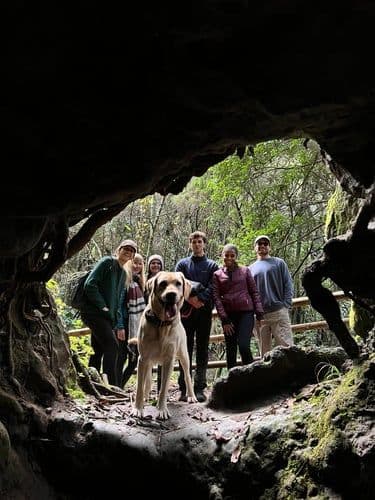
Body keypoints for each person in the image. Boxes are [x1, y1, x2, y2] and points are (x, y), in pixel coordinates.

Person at [80, 239, 137, 386]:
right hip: (94, 313)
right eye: (126, 248)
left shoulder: (124, 274)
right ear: (119, 249)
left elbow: (118, 302)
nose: (128, 252)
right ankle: (110, 385)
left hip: (107, 318)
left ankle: (90, 383)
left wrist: (116, 321)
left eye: (131, 250)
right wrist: (102, 306)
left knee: (97, 350)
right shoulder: (107, 262)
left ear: (132, 255)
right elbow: (89, 284)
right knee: (112, 346)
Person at [175, 231, 219, 402]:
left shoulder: (212, 266)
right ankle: (184, 387)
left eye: (199, 241)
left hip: (204, 312)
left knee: (202, 348)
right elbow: (178, 283)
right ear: (190, 244)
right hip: (185, 312)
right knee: (184, 349)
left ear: (204, 244)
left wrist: (200, 299)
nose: (196, 244)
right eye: (193, 241)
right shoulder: (182, 264)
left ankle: (200, 387)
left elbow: (213, 286)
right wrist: (190, 298)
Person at [213, 244, 264, 369]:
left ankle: (251, 375)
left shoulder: (245, 271)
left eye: (232, 255)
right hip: (228, 316)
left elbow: (254, 291)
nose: (229, 258)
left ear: (236, 257)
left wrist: (259, 311)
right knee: (230, 349)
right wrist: (224, 319)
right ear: (222, 256)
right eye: (226, 255)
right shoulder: (217, 274)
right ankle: (231, 381)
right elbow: (216, 298)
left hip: (245, 313)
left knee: (243, 346)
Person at [249, 235, 294, 358]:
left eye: (265, 243)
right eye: (259, 243)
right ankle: (269, 377)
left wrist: (286, 305)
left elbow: (288, 284)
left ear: (270, 247)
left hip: (278, 312)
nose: (262, 245)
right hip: (259, 316)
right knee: (265, 353)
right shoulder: (250, 269)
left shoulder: (279, 263)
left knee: (287, 347)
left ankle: (292, 376)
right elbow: (248, 292)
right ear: (255, 248)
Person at [119, 253, 146, 387]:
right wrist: (120, 325)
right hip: (126, 324)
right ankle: (117, 385)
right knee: (122, 356)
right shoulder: (125, 280)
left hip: (138, 326)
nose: (137, 266)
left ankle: (120, 384)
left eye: (140, 263)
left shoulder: (141, 282)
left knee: (134, 360)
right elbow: (120, 304)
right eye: (135, 262)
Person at [145, 253, 165, 391]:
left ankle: (160, 389)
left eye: (158, 263)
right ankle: (146, 389)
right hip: (146, 321)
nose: (156, 265)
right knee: (146, 356)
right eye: (153, 263)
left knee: (163, 355)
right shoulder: (142, 280)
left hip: (163, 323)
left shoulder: (166, 281)